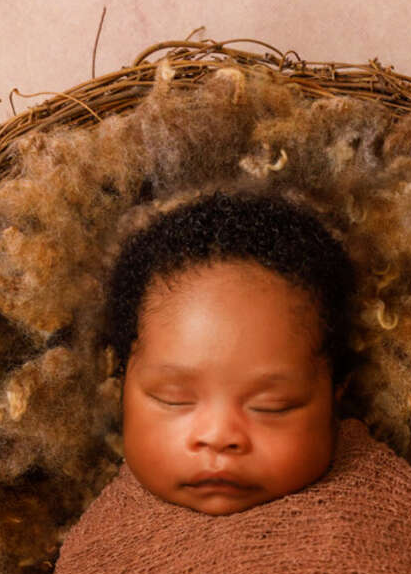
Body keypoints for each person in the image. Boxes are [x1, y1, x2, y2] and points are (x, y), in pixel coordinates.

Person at [102, 189, 359, 515]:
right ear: (120, 383)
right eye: (173, 398)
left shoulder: (380, 510)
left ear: (337, 394)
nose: (219, 436)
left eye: (272, 406)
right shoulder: (99, 532)